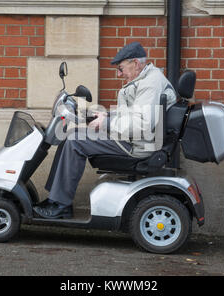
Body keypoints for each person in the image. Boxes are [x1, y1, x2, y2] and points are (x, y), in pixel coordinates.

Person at [33, 42, 177, 219]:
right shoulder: (146, 78)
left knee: (74, 140)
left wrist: (107, 123)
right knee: (71, 135)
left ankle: (61, 205)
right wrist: (104, 116)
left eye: (121, 68)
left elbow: (142, 124)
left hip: (136, 146)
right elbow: (134, 114)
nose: (119, 74)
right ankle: (55, 199)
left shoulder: (150, 84)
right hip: (135, 140)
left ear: (136, 64)